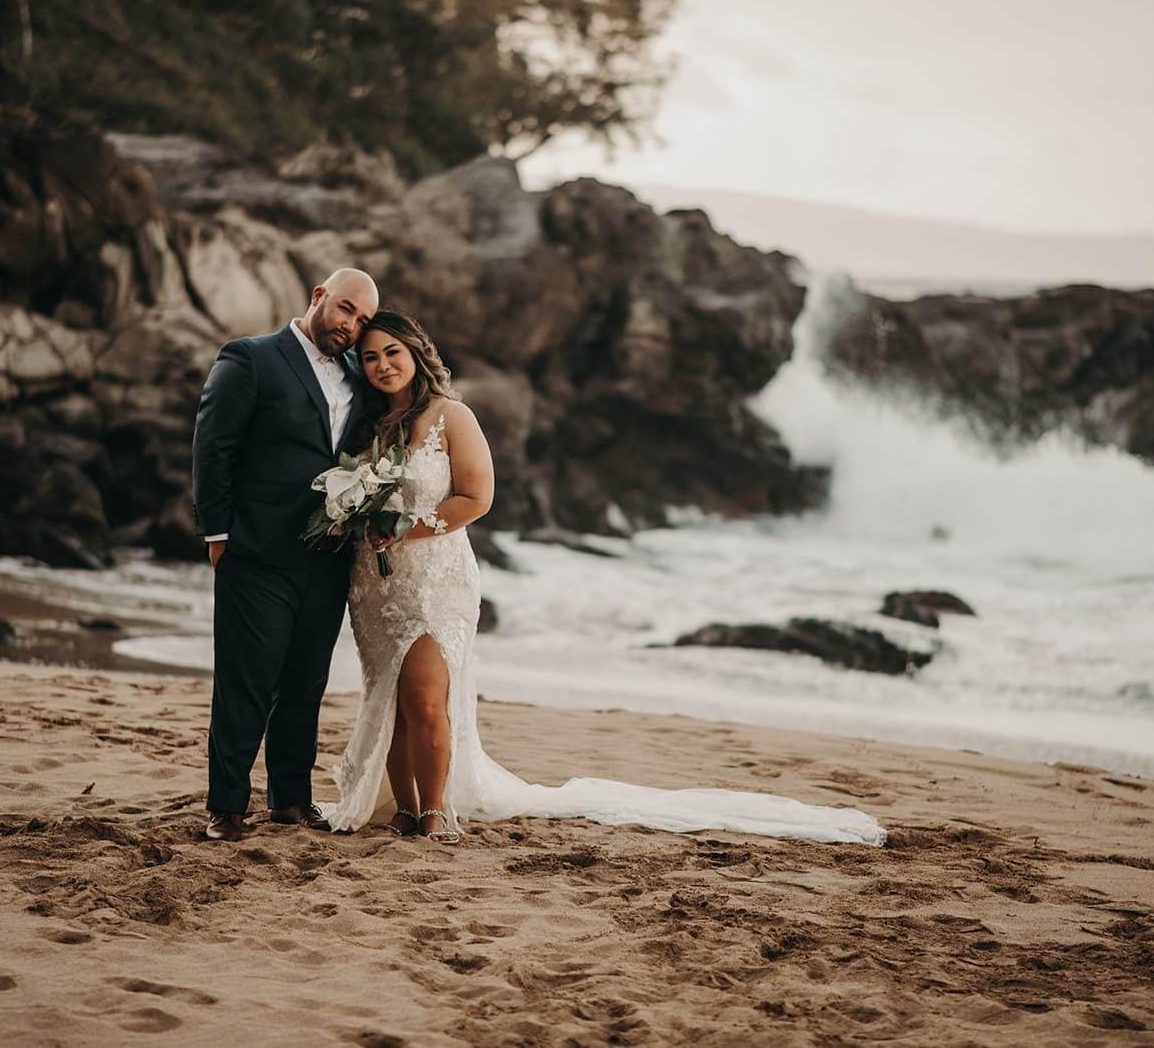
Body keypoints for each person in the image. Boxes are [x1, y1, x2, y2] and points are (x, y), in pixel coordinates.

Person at [323, 309, 887, 847]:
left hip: (435, 580)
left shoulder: (453, 416)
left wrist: (407, 527)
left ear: (416, 353)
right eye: (370, 358)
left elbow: (478, 498)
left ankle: (433, 811)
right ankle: (401, 808)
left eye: (392, 352)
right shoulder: (367, 427)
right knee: (389, 700)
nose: (382, 365)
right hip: (377, 584)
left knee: (426, 698)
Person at [191, 268, 379, 842]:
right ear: (319, 296)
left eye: (363, 321)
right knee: (245, 682)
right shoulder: (251, 358)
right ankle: (226, 807)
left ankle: (290, 800)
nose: (351, 326)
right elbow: (213, 446)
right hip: (256, 552)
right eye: (345, 309)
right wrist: (217, 535)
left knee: (304, 682)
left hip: (328, 555)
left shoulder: (359, 376)